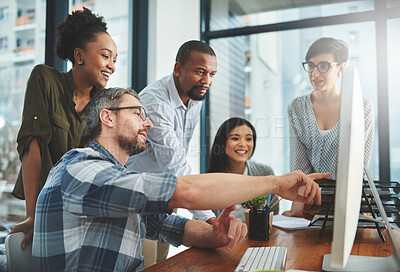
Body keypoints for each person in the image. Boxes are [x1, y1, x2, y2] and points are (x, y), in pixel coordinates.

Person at [32, 87, 328, 271]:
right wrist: (277, 183)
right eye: (137, 113)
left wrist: (215, 234)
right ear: (107, 118)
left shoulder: (117, 177)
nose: (148, 122)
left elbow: (170, 226)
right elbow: (186, 191)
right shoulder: (79, 166)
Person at [10, 7, 118, 248]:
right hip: (43, 203)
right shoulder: (44, 79)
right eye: (105, 56)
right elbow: (32, 146)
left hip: (81, 209)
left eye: (114, 60)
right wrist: (33, 215)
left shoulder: (106, 104)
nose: (111, 66)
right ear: (79, 55)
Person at [125, 40, 218, 264]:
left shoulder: (195, 95)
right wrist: (211, 221)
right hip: (141, 197)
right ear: (178, 69)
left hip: (166, 191)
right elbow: (176, 164)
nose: (207, 81)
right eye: (200, 72)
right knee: (147, 263)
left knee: (162, 261)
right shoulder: (155, 103)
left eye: (212, 74)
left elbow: (180, 151)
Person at [283, 37, 374, 219]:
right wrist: (297, 209)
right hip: (311, 201)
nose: (315, 74)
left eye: (323, 66)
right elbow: (299, 166)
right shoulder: (297, 107)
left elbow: (359, 165)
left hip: (349, 201)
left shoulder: (361, 106)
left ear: (340, 68)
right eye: (311, 65)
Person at [208, 117, 279, 222]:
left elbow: (274, 216)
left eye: (248, 139)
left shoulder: (265, 173)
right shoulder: (210, 180)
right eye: (235, 138)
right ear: (223, 142)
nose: (243, 144)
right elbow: (200, 220)